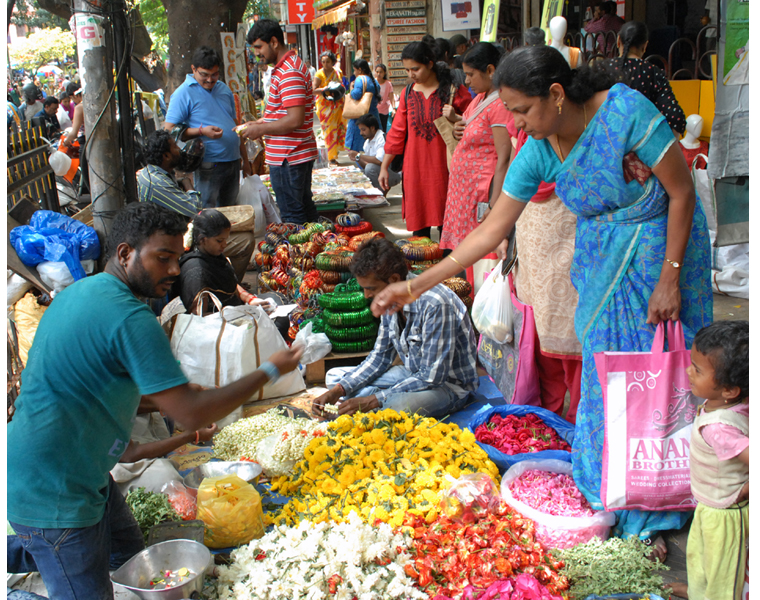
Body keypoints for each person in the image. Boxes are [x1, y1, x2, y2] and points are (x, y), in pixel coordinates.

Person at [371, 45, 712, 554]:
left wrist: (670, 278)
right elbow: (489, 232)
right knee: (606, 379)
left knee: (654, 378)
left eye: (521, 109)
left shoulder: (624, 111)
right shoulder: (535, 151)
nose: (516, 123)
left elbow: (682, 193)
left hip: (661, 256)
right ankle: (612, 494)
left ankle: (655, 506)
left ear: (555, 94)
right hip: (600, 268)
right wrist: (417, 283)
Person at [6, 202, 303, 598]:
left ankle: (40, 554)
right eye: (163, 258)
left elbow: (97, 386)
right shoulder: (131, 318)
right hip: (56, 490)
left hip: (68, 468)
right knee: (76, 577)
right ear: (126, 253)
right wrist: (269, 370)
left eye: (178, 258)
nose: (176, 270)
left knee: (128, 550)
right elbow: (192, 415)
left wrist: (160, 400)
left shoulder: (82, 293)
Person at [313, 237, 478, 420]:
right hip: (412, 372)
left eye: (371, 288)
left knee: (397, 407)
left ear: (394, 279)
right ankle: (371, 397)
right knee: (335, 378)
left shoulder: (435, 304)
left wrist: (374, 399)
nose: (367, 295)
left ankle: (376, 399)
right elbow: (380, 357)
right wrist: (339, 390)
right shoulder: (389, 298)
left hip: (446, 386)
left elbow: (432, 377)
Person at [669, 320, 748, 600]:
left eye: (697, 369)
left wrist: (745, 490)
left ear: (729, 390)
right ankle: (698, 592)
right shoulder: (728, 404)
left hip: (725, 515)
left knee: (723, 573)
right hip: (708, 505)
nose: (688, 371)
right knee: (700, 559)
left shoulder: (720, 429)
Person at [440, 42, 516, 294]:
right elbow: (468, 126)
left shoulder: (499, 105)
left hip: (481, 194)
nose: (467, 81)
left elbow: (503, 158)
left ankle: (477, 306)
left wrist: (495, 208)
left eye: (471, 74)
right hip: (467, 193)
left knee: (480, 259)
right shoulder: (481, 99)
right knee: (467, 255)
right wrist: (457, 126)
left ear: (491, 70)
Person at [379, 41, 472, 239]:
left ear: (430, 64)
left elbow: (473, 123)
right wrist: (384, 167)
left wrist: (456, 117)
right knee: (419, 233)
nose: (411, 74)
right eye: (407, 70)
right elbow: (397, 133)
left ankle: (449, 268)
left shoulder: (452, 91)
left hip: (445, 168)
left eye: (415, 69)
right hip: (415, 170)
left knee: (448, 225)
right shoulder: (408, 94)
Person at [137, 129, 255, 283]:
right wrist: (187, 182)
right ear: (166, 156)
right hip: (172, 242)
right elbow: (194, 208)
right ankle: (227, 285)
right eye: (175, 147)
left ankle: (224, 281)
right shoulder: (157, 182)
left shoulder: (156, 173)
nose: (179, 150)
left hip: (175, 232)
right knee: (244, 241)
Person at [241, 19, 319, 225]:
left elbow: (295, 119)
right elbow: (284, 113)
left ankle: (299, 257)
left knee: (293, 216)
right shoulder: (288, 67)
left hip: (289, 156)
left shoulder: (289, 71)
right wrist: (260, 123)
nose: (257, 53)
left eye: (259, 47)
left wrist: (261, 129)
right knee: (304, 210)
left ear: (274, 42)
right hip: (293, 154)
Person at [163, 46, 250, 209]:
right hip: (208, 165)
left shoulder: (224, 89)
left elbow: (235, 125)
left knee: (231, 211)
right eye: (204, 75)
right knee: (208, 213)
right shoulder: (183, 94)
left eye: (214, 74)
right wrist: (202, 131)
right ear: (193, 70)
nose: (210, 80)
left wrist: (244, 160)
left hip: (232, 161)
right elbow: (169, 130)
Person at [176, 209, 268, 312]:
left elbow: (231, 284)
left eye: (225, 239)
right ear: (202, 239)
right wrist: (241, 313)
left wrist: (250, 299)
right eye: (219, 241)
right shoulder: (196, 273)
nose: (224, 244)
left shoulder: (212, 255)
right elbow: (199, 318)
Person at [610, 21, 686, 136]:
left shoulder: (604, 68)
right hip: (639, 145)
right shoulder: (653, 73)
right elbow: (675, 117)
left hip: (605, 143)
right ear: (645, 46)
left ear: (618, 40)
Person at [348, 113, 401, 192]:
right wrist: (357, 158)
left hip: (392, 173)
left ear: (372, 128)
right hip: (379, 172)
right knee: (355, 174)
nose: (361, 133)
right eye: (360, 130)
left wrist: (359, 155)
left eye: (363, 130)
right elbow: (365, 166)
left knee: (370, 168)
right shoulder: (367, 142)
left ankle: (380, 194)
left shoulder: (381, 138)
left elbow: (379, 161)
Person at [313, 50, 346, 164]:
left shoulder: (338, 72)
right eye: (323, 62)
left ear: (332, 62)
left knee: (338, 129)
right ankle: (331, 158)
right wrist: (326, 90)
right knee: (329, 131)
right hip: (325, 108)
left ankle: (334, 155)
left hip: (337, 105)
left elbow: (341, 85)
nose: (325, 64)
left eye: (328, 61)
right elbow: (313, 90)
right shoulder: (319, 74)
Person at [345, 59, 382, 153]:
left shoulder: (359, 79)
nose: (354, 72)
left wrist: (351, 89)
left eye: (355, 70)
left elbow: (356, 95)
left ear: (360, 70)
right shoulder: (374, 81)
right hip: (373, 116)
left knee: (360, 149)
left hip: (361, 117)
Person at [375, 63, 396, 132]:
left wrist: (393, 108)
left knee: (382, 130)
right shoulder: (373, 82)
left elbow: (391, 97)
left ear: (384, 73)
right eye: (377, 72)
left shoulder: (388, 84)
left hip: (384, 111)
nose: (378, 74)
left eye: (381, 72)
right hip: (374, 110)